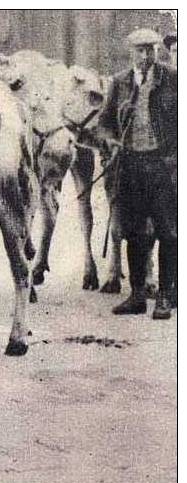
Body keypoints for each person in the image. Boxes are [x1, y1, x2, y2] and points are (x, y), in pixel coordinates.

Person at [100, 28, 177, 320]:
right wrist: (110, 140)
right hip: (130, 167)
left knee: (168, 232)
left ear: (158, 51)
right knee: (134, 232)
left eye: (151, 50)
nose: (146, 56)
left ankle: (166, 298)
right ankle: (137, 295)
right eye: (140, 51)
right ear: (130, 52)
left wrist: (174, 159)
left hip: (162, 167)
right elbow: (104, 123)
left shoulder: (172, 79)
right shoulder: (119, 82)